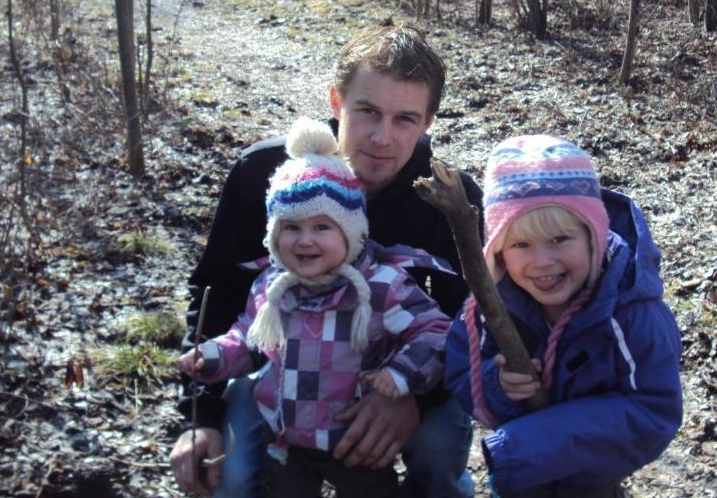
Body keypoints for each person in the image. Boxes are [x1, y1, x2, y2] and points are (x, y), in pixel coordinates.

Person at [170, 24, 482, 497]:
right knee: (228, 477)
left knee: (438, 450)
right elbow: (217, 290)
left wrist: (414, 397)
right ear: (336, 102)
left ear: (428, 121)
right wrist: (200, 415)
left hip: (404, 375)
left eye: (404, 119)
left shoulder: (450, 199)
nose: (381, 137)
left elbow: (471, 324)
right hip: (282, 365)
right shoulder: (268, 175)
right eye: (367, 111)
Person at [444, 135, 683, 497]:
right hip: (521, 478)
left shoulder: (633, 313)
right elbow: (463, 370)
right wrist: (501, 385)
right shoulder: (494, 301)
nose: (542, 261)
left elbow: (653, 413)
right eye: (521, 245)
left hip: (589, 482)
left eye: (559, 240)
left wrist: (535, 443)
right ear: (500, 251)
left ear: (593, 237)